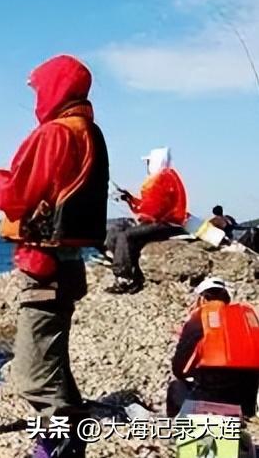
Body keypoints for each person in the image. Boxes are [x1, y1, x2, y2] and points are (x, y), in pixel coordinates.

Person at [0, 54, 109, 458]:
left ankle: (56, 447)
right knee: (54, 364)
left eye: (39, 88)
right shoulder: (90, 132)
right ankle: (73, 436)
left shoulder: (54, 134)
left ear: (55, 88)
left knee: (34, 377)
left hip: (45, 273)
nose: (37, 96)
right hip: (69, 266)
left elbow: (15, 194)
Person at [166, 277, 259, 418]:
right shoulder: (248, 317)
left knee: (175, 388)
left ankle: (174, 429)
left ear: (203, 299)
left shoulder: (199, 319)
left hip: (212, 401)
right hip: (247, 403)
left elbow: (180, 369)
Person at [106, 147, 188, 294]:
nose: (147, 165)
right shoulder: (164, 178)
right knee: (114, 233)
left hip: (165, 224)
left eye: (149, 161)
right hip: (159, 221)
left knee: (126, 236)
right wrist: (130, 199)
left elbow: (153, 210)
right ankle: (129, 268)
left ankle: (124, 277)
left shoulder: (162, 180)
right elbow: (147, 206)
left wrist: (134, 205)